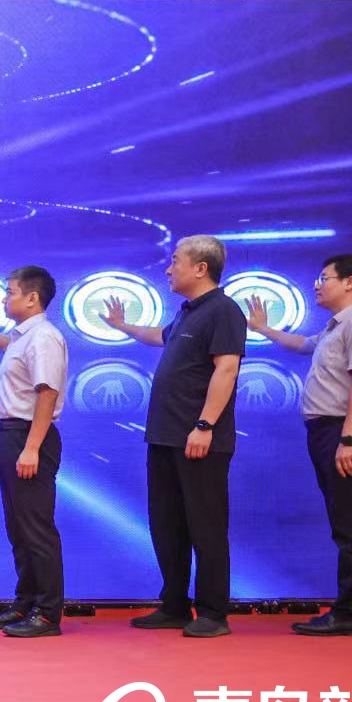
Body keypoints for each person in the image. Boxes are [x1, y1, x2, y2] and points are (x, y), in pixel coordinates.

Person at [103, 234, 244, 638]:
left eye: (176, 261)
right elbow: (158, 336)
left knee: (206, 526)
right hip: (164, 437)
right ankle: (175, 605)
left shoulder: (224, 310)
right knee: (167, 524)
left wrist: (205, 425)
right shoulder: (187, 313)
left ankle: (213, 613)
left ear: (201, 268)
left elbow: (227, 369)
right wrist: (122, 326)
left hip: (199, 438)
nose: (168, 269)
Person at [247, 254, 352, 636]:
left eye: (324, 278)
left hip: (346, 431)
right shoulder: (336, 325)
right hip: (332, 430)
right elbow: (303, 344)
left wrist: (349, 438)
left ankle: (348, 613)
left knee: (350, 525)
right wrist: (264, 329)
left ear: (349, 282)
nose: (317, 284)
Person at [0, 266, 69, 638]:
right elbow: (7, 347)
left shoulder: (44, 337)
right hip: (12, 436)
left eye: (10, 292)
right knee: (18, 526)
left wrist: (32, 447)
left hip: (28, 436)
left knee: (36, 527)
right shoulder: (24, 336)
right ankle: (26, 603)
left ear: (32, 298)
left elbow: (47, 393)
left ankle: (48, 613)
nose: (5, 299)